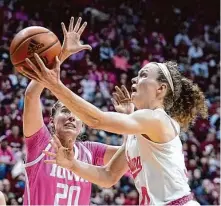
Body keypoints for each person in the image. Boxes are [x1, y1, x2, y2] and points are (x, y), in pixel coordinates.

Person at [20, 40, 208, 204]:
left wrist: (55, 85)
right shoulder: (139, 133)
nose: (135, 78)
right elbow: (108, 176)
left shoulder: (157, 118)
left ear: (161, 88)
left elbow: (96, 119)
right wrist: (72, 165)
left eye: (144, 75)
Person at [22, 17, 127, 206]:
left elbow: (129, 154)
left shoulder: (90, 151)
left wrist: (129, 121)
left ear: (82, 125)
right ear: (52, 122)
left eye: (77, 114)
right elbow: (31, 95)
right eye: (64, 110)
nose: (71, 115)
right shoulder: (40, 142)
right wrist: (61, 54)